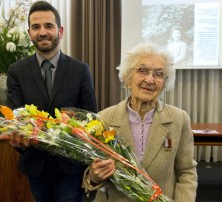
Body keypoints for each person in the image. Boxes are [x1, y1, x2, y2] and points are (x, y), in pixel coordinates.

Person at [83, 43, 198, 201]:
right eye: (142, 71)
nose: (150, 80)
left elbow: (187, 172)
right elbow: (90, 178)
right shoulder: (104, 119)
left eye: (159, 74)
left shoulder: (179, 119)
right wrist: (94, 176)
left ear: (164, 83)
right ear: (127, 78)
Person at [6, 1, 97, 202]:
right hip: (35, 164)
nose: (43, 32)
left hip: (70, 166)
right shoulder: (16, 71)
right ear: (29, 33)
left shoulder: (80, 70)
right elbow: (15, 117)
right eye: (36, 27)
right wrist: (19, 140)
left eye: (49, 26)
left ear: (60, 31)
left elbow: (91, 117)